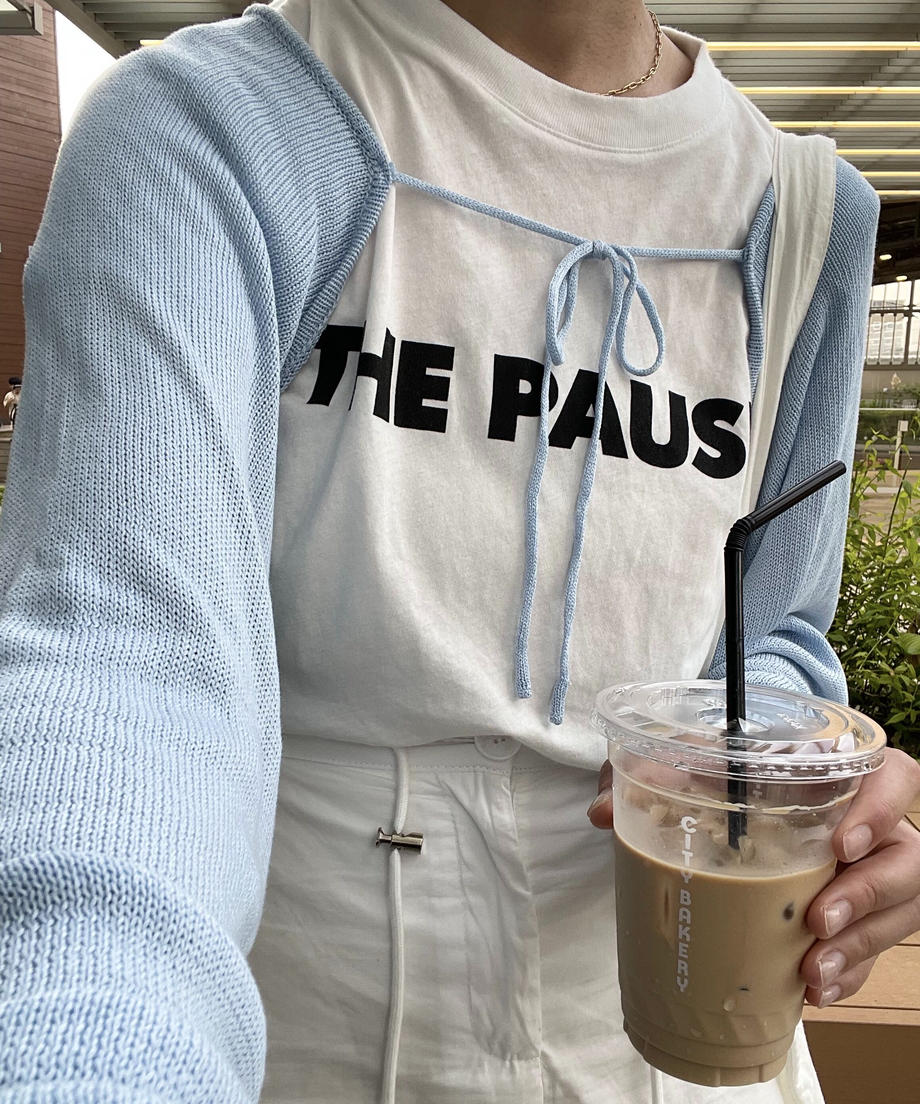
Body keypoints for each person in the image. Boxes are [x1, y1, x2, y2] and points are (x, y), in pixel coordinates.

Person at [1, 1, 918, 1102]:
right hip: (304, 1032)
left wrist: (798, 769)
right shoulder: (216, 126)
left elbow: (773, 629)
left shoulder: (808, 212)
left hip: (687, 1021)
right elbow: (125, 663)